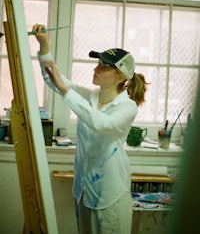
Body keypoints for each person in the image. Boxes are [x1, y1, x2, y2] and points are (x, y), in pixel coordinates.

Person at [32, 24, 149, 234]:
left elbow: (101, 124)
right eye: (98, 63)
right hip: (84, 191)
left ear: (120, 77)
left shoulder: (127, 107)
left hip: (110, 196)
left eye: (104, 67)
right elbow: (53, 79)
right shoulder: (92, 97)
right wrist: (44, 46)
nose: (95, 69)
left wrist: (66, 90)